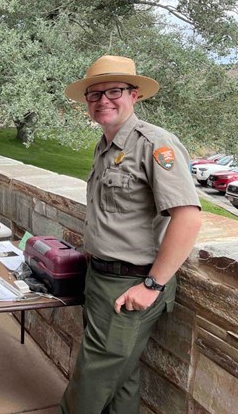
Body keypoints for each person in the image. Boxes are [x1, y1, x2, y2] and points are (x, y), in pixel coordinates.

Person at [60, 55, 201, 413]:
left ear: (134, 95)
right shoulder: (106, 145)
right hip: (100, 277)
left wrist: (152, 286)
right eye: (94, 94)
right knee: (121, 380)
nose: (103, 100)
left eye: (114, 91)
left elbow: (187, 219)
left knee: (89, 385)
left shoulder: (155, 144)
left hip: (132, 285)